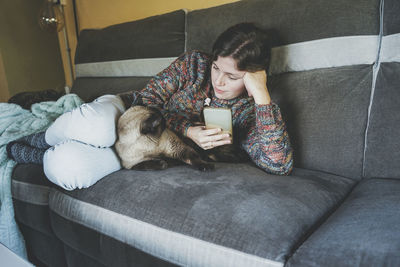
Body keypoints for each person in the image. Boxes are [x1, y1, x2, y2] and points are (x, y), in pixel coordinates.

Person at [7, 22, 293, 191]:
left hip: (140, 153)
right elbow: (147, 100)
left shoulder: (252, 110)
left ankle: (20, 151)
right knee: (95, 129)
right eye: (217, 68)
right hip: (127, 115)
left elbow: (279, 165)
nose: (218, 80)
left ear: (255, 75)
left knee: (66, 168)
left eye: (232, 77)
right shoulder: (195, 64)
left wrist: (262, 97)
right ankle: (37, 139)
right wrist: (188, 129)